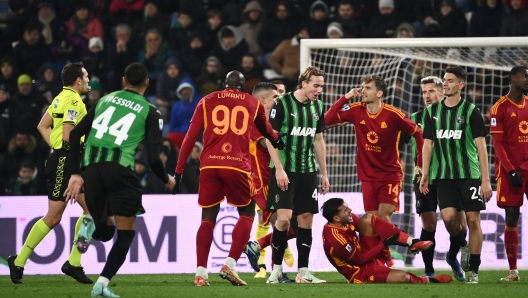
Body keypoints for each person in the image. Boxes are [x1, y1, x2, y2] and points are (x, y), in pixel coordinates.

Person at [63, 62, 176, 297]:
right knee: (126, 234)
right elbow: (154, 158)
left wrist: (75, 174)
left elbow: (74, 134)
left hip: (91, 169)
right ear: (147, 82)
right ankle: (101, 284)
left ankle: (90, 223)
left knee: (104, 232)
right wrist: (166, 180)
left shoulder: (104, 99)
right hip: (120, 171)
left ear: (123, 81)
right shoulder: (150, 110)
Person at [172, 71, 284, 287]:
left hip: (210, 165)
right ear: (242, 87)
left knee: (207, 218)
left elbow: (189, 137)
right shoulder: (253, 103)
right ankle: (230, 265)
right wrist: (277, 140)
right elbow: (266, 129)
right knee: (247, 213)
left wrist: (178, 171)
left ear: (224, 85)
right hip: (237, 164)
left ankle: (200, 273)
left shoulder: (207, 100)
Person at [324, 75, 424, 267]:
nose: (363, 90)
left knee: (383, 218)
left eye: (367, 88)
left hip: (390, 175)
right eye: (362, 87)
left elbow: (418, 133)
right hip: (367, 176)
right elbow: (328, 119)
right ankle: (385, 262)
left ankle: (393, 257)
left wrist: (419, 163)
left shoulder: (393, 114)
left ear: (379, 93)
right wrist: (346, 97)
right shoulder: (356, 110)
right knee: (370, 222)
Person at [7, 62, 92, 285]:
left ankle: (73, 262)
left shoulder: (59, 98)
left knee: (91, 210)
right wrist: (65, 150)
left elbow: (42, 126)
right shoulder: (73, 99)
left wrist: (56, 149)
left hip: (63, 157)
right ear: (78, 80)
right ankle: (19, 261)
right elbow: (67, 135)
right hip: (66, 161)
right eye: (86, 76)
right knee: (54, 217)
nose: (89, 80)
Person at [251, 66, 330, 284]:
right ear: (303, 83)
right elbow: (270, 138)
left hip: (308, 172)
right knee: (284, 220)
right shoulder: (282, 104)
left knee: (306, 220)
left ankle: (303, 272)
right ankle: (276, 270)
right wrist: (278, 169)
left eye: (321, 86)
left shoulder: (318, 107)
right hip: (285, 171)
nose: (319, 90)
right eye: (316, 85)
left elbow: (318, 140)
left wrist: (324, 174)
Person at [420, 66, 492, 284]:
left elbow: (481, 147)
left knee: (473, 219)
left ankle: (474, 271)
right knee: (450, 219)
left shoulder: (471, 112)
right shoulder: (432, 112)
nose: (446, 84)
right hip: (444, 176)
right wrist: (425, 172)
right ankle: (463, 245)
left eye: (450, 81)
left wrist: (486, 180)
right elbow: (427, 144)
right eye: (445, 80)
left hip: (469, 174)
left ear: (461, 85)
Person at [400, 76, 468, 277]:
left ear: (442, 91)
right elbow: (395, 143)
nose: (427, 96)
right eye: (424, 92)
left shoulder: (456, 115)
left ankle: (452, 256)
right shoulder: (414, 119)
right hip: (423, 180)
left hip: (450, 177)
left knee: (458, 225)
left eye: (431, 91)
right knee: (428, 224)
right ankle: (429, 271)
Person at [321, 198, 452, 284]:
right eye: (346, 210)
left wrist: (390, 239)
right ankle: (427, 280)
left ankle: (411, 241)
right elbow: (360, 260)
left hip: (366, 253)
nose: (350, 210)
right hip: (361, 272)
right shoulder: (335, 240)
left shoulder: (345, 220)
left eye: (348, 207)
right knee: (402, 277)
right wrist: (384, 243)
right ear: (336, 218)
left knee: (367, 219)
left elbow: (368, 226)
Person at [249, 82, 294, 279]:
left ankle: (256, 247)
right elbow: (267, 143)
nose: (280, 99)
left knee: (288, 226)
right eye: (276, 97)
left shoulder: (274, 121)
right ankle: (275, 270)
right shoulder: (255, 122)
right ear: (263, 100)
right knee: (281, 225)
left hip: (279, 178)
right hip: (265, 182)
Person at [490, 65, 528, 282]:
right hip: (510, 172)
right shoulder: (499, 108)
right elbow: (498, 143)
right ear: (513, 78)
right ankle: (513, 271)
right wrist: (511, 170)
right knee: (512, 217)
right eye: (525, 76)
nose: (527, 79)